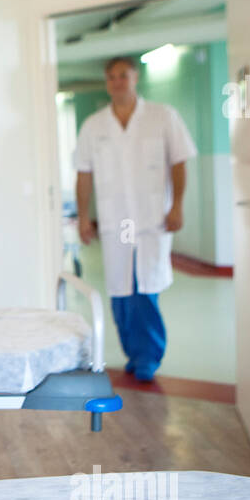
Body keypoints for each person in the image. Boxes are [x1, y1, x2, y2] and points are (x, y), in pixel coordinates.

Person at [74, 55, 197, 382]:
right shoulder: (94, 126)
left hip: (151, 220)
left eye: (123, 75)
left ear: (135, 77)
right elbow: (83, 175)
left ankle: (148, 356)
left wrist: (178, 206)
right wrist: (84, 216)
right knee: (120, 292)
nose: (118, 81)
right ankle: (133, 350)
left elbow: (179, 163)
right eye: (111, 76)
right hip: (116, 223)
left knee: (146, 288)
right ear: (106, 81)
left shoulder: (162, 117)